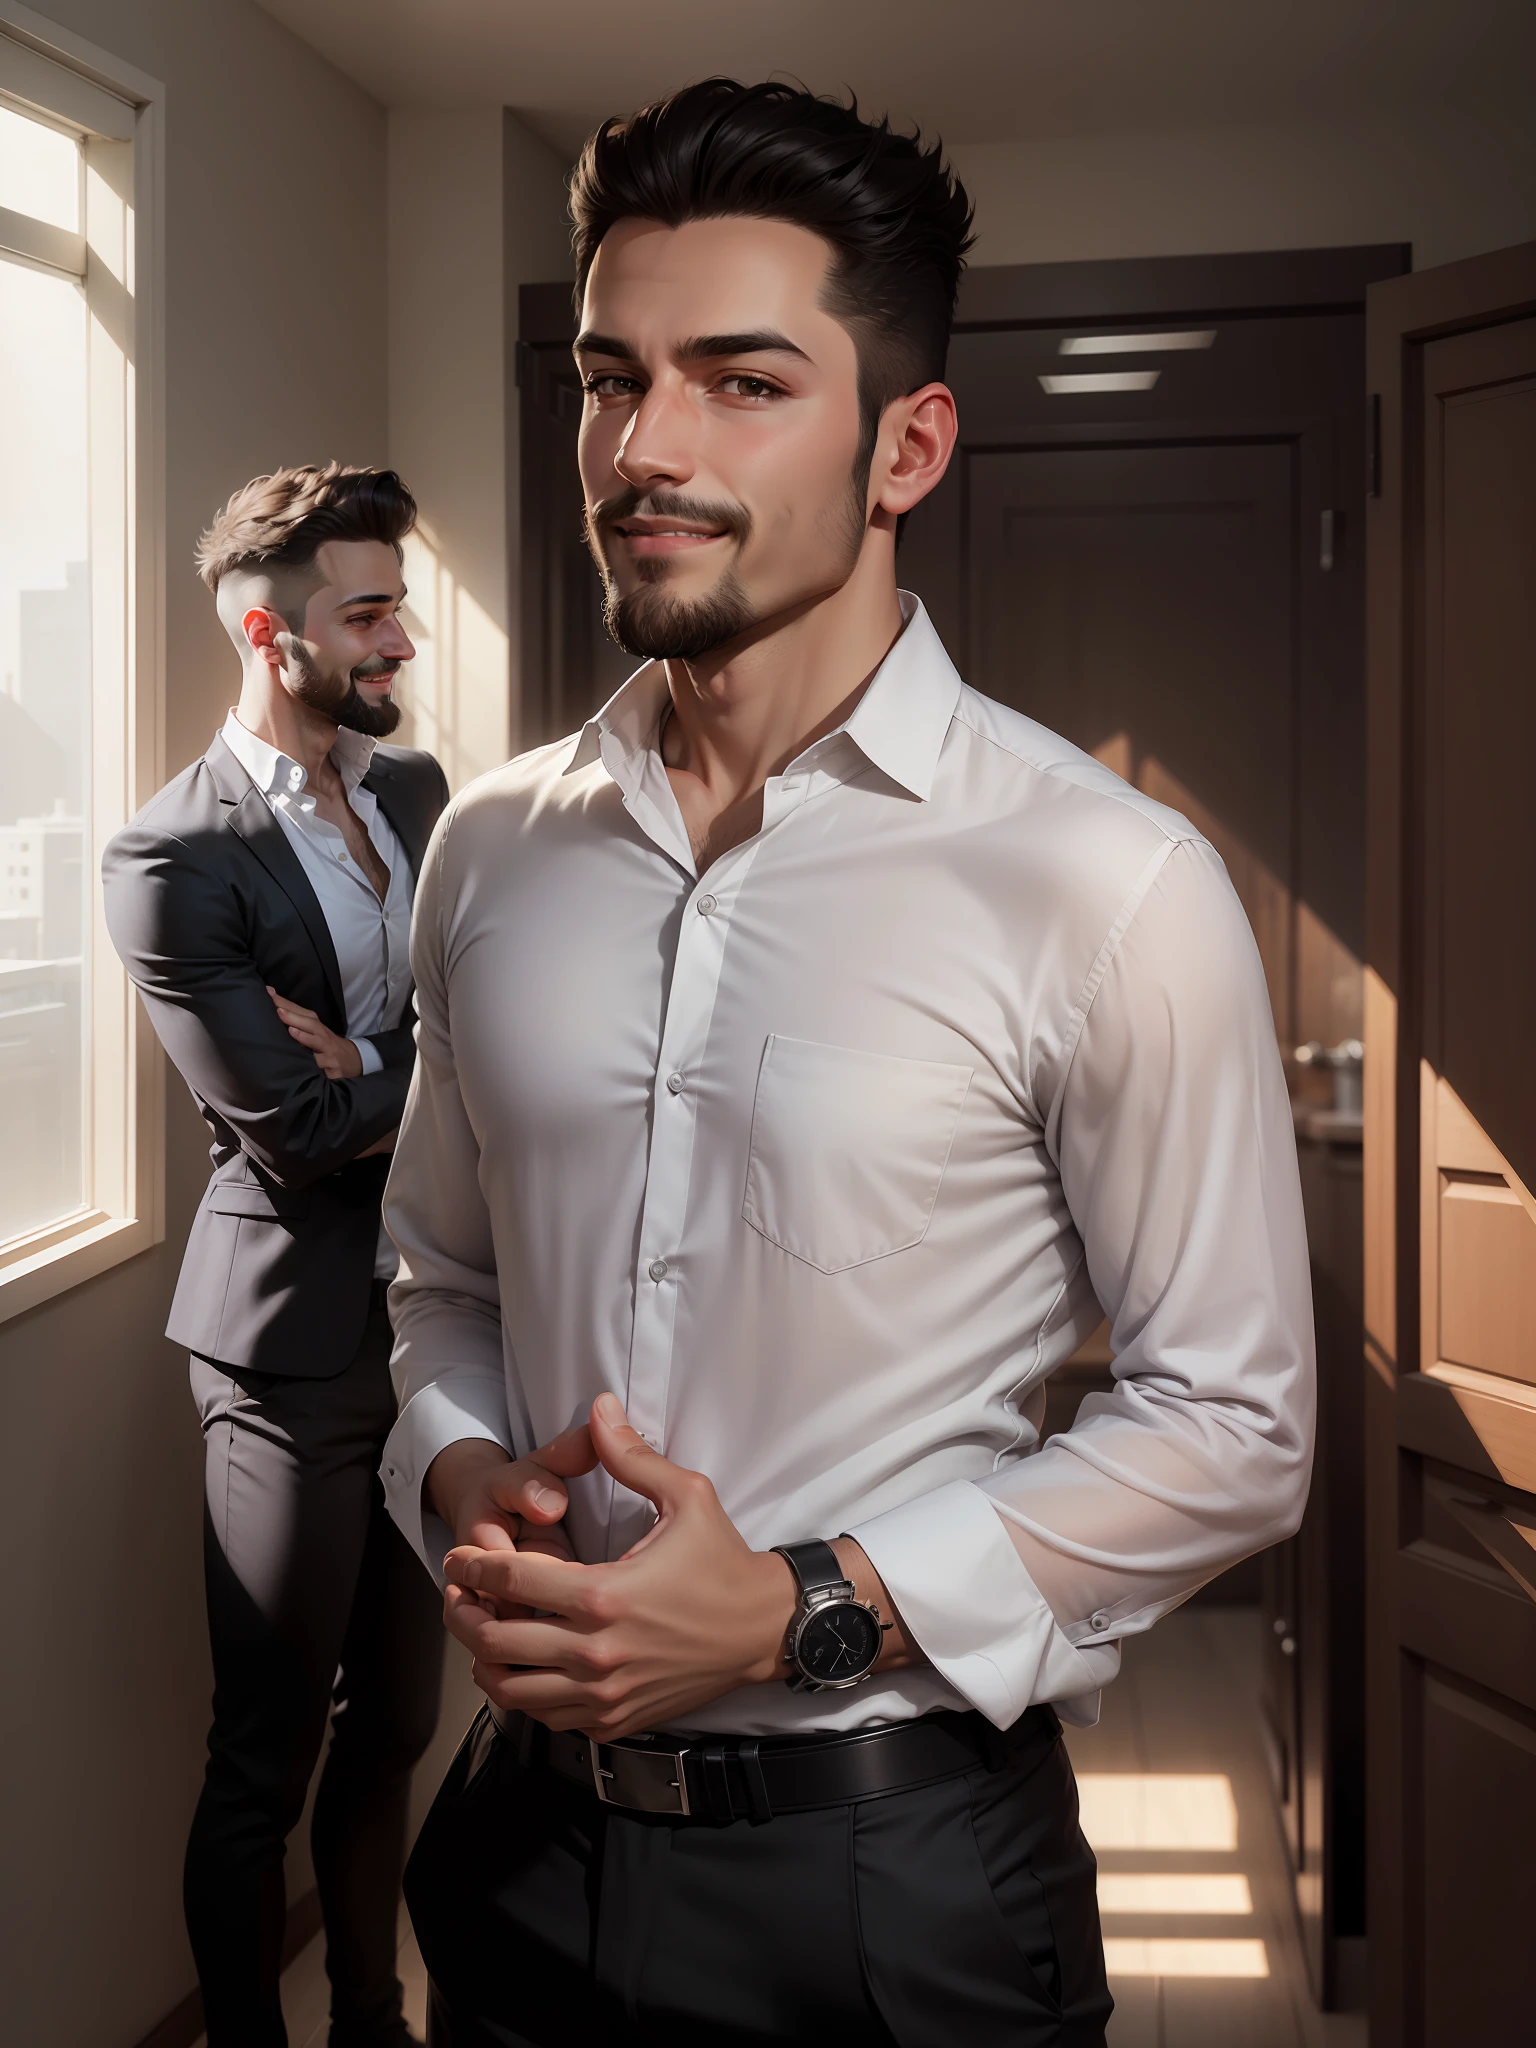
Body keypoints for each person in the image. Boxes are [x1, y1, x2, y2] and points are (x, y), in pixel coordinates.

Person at [381, 80, 1315, 2048]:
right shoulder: (490, 849)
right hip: (517, 1855)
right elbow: (441, 1282)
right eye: (607, 377)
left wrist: (808, 1600)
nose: (646, 447)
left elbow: (1233, 1422)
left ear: (908, 444)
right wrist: (470, 1474)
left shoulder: (1104, 881)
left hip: (897, 1896)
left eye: (741, 383)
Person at [103, 463, 448, 2048]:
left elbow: (486, 1038)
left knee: (400, 1726)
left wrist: (373, 1069)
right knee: (267, 1751)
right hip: (285, 1353)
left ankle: (373, 2025)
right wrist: (408, 1074)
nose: (403, 635)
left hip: (438, 1334)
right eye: (368, 611)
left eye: (398, 600)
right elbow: (295, 1133)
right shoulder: (173, 857)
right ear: (270, 630)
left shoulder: (419, 797)